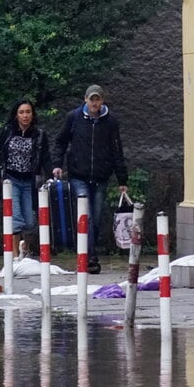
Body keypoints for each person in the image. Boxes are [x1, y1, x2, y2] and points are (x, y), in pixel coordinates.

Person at [52, 85, 128, 274]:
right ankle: (90, 258)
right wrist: (57, 164)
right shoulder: (74, 118)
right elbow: (61, 141)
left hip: (101, 176)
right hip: (79, 175)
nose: (94, 103)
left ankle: (86, 253)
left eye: (98, 99)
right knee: (86, 216)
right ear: (85, 99)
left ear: (102, 101)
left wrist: (122, 179)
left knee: (95, 219)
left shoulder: (111, 122)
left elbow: (117, 150)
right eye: (91, 99)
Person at [0, 99, 52, 258]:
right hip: (10, 180)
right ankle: (14, 255)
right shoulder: (7, 131)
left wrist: (50, 177)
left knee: (30, 221)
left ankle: (25, 246)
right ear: (16, 115)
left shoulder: (39, 135)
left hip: (29, 181)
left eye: (28, 112)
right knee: (15, 217)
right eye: (21, 112)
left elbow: (45, 158)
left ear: (33, 114)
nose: (25, 116)